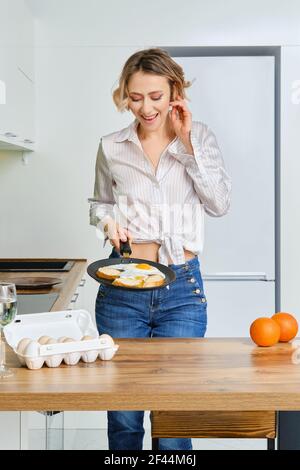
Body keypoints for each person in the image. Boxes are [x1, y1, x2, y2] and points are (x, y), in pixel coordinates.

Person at [89, 48, 231, 450]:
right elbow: (98, 202)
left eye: (156, 96)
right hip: (123, 287)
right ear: (124, 95)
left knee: (172, 421)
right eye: (136, 97)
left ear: (175, 93)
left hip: (182, 291)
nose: (146, 107)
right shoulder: (111, 145)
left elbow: (219, 204)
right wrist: (107, 221)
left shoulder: (199, 138)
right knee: (124, 419)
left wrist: (186, 142)